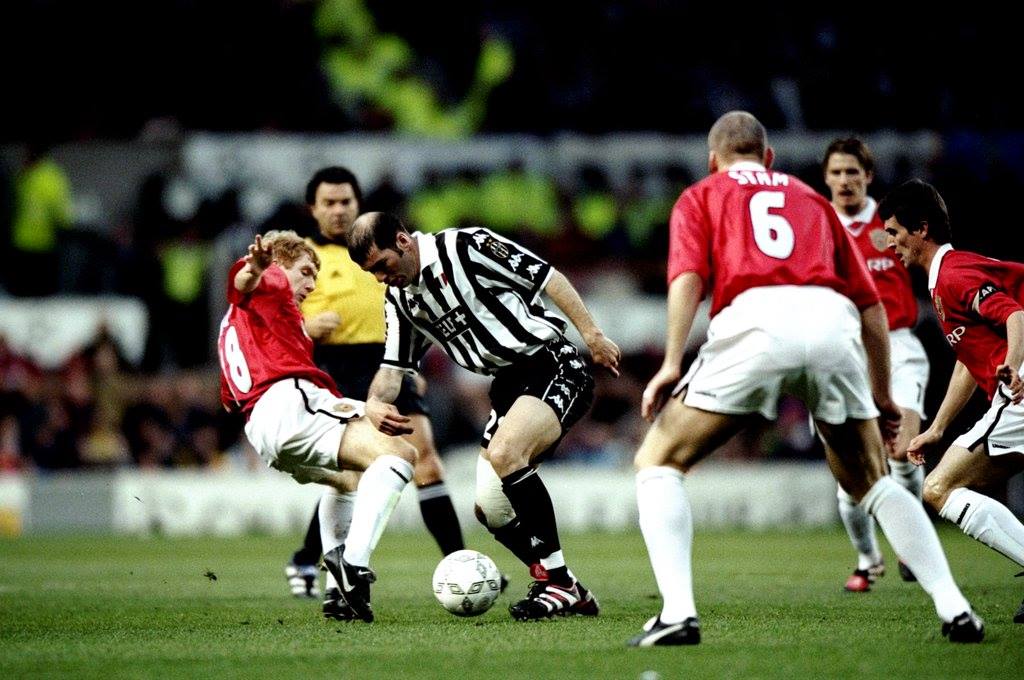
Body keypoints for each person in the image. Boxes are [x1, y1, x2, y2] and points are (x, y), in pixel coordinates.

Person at [629, 111, 982, 647]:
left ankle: (678, 614)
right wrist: (882, 395)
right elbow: (870, 307)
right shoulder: (811, 199)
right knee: (874, 482)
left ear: (713, 159)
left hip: (754, 318)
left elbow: (688, 277)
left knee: (658, 461)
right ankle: (955, 607)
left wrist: (672, 361)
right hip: (830, 322)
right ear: (768, 157)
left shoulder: (701, 195)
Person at [347, 211, 622, 621]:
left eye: (382, 265)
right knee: (491, 509)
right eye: (372, 273)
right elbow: (393, 369)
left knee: (507, 453)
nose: (381, 278)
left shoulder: (467, 246)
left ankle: (558, 584)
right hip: (507, 386)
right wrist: (373, 402)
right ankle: (565, 584)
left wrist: (593, 335)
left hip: (551, 363)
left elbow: (548, 278)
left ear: (402, 241)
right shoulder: (400, 299)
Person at [283, 167, 468, 619]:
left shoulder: (373, 251)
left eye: (346, 201)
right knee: (351, 473)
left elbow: (411, 309)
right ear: (313, 209)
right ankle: (310, 560)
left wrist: (410, 363)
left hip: (390, 363)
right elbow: (270, 325)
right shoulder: (301, 258)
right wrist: (306, 328)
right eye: (329, 203)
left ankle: (460, 563)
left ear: (358, 202)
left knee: (426, 460)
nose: (339, 210)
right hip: (336, 368)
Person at [218, 229, 415, 623]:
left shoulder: (235, 323)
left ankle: (337, 596)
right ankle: (353, 564)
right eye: (306, 272)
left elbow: (230, 395)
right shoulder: (271, 279)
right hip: (289, 401)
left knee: (349, 480)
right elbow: (245, 279)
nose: (311, 284)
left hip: (261, 427)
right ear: (279, 263)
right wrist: (256, 268)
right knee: (400, 454)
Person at [880, 179, 1024, 624]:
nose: (890, 243)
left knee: (939, 488)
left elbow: (1015, 314)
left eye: (894, 232)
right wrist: (938, 428)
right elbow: (968, 359)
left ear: (921, 229)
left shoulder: (953, 275)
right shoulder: (945, 276)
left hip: (1020, 393)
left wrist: (1013, 366)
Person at [822, 138, 930, 591]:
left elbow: (930, 261)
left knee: (903, 450)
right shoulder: (817, 224)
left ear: (868, 175)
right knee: (851, 476)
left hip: (899, 347)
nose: (844, 180)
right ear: (826, 178)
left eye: (853, 171)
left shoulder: (891, 224)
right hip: (843, 353)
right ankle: (868, 559)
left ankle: (911, 544)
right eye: (836, 172)